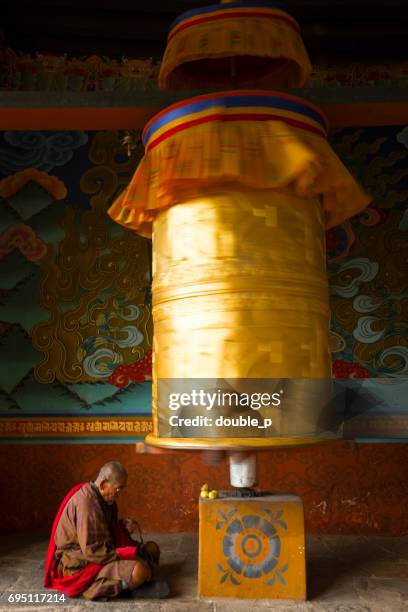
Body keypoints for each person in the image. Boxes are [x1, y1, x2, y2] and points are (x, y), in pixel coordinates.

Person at [44, 461, 169, 600]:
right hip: (81, 563)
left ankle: (133, 582)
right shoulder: (86, 503)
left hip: (102, 553)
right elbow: (93, 551)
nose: (119, 494)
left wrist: (121, 527)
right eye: (118, 489)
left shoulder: (101, 497)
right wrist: (130, 556)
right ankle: (115, 587)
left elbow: (103, 530)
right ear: (103, 484)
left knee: (152, 549)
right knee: (139, 571)